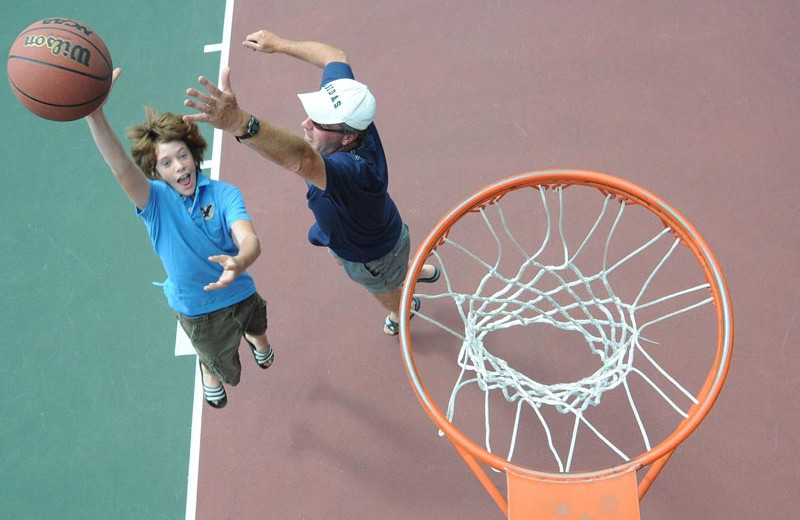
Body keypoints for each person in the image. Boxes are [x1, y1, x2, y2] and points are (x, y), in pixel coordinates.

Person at [183, 29, 439, 336]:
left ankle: (403, 310)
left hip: (372, 257)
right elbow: (336, 56)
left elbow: (302, 158)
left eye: (318, 123)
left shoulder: (353, 172)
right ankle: (411, 269)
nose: (305, 123)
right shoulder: (347, 106)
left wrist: (239, 123)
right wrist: (279, 44)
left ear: (348, 137)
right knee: (359, 260)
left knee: (385, 291)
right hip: (373, 231)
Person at [85, 69, 274, 409]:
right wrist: (95, 115)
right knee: (215, 357)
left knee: (258, 325)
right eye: (167, 163)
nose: (179, 167)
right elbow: (121, 168)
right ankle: (209, 371)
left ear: (194, 154)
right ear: (156, 172)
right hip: (199, 311)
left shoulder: (224, 194)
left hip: (241, 290)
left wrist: (240, 261)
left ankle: (259, 343)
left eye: (182, 155)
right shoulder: (154, 201)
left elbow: (250, 239)